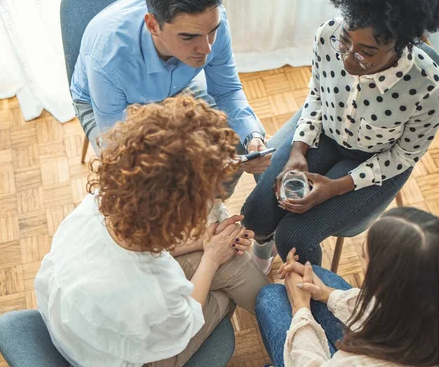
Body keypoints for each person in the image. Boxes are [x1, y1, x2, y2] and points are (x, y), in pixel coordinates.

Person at [242, 0, 439, 271]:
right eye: (345, 41)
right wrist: (298, 150)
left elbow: (404, 155)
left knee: (295, 237)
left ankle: (307, 293)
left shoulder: (428, 86)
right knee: (256, 213)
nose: (347, 58)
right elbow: (316, 96)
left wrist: (337, 186)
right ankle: (264, 247)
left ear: (401, 44)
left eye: (367, 52)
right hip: (325, 134)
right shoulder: (327, 35)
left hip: (377, 161)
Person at [35, 96, 269, 367]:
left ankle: (283, 318)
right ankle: (289, 328)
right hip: (130, 354)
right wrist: (211, 258)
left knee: (229, 263)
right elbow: (185, 318)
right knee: (223, 292)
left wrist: (205, 243)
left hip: (77, 324)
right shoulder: (154, 293)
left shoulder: (98, 204)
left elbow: (145, 250)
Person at [70, 0, 274, 197]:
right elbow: (119, 152)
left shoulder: (209, 21)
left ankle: (212, 205)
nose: (207, 48)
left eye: (212, 31)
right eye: (188, 37)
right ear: (153, 26)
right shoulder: (107, 60)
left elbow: (227, 92)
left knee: (240, 136)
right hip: (111, 107)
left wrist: (252, 139)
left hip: (174, 88)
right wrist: (201, 165)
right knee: (143, 190)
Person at [256, 207, 439, 366]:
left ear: (382, 286)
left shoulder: (359, 362)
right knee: (317, 277)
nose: (361, 257)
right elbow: (388, 311)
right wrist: (327, 294)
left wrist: (300, 309)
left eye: (364, 256)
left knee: (270, 298)